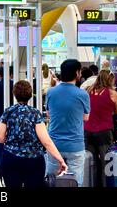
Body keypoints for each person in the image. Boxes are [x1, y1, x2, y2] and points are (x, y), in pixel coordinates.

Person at [0, 80, 68, 187]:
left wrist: (13, 140)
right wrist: (60, 160)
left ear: (14, 94)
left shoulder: (8, 111)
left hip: (11, 158)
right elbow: (46, 141)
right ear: (30, 94)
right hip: (33, 161)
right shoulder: (35, 113)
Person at [45, 59, 90, 187]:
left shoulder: (50, 92)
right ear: (77, 73)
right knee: (75, 182)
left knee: (52, 181)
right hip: (75, 144)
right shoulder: (83, 94)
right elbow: (86, 117)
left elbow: (48, 114)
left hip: (54, 144)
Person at [84, 70, 117, 187]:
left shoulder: (89, 90)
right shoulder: (112, 93)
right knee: (106, 163)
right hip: (104, 132)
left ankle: (92, 183)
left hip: (88, 130)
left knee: (91, 162)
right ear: (110, 79)